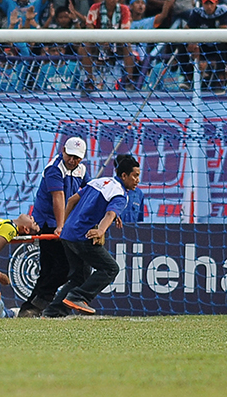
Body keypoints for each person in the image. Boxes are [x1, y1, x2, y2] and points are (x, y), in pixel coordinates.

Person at [48, 155, 140, 315]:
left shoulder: (99, 181)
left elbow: (71, 200)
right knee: (110, 269)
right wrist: (100, 230)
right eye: (135, 176)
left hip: (68, 234)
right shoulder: (120, 194)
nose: (138, 180)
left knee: (79, 277)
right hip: (83, 236)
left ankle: (52, 313)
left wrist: (62, 225)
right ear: (124, 176)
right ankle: (79, 297)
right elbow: (110, 214)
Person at [18, 136, 91, 318]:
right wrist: (61, 226)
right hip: (46, 224)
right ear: (63, 152)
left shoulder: (81, 170)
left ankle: (31, 307)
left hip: (61, 224)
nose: (72, 160)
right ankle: (41, 303)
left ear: (82, 158)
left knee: (50, 269)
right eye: (70, 156)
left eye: (77, 157)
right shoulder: (54, 169)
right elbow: (58, 197)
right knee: (65, 267)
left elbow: (90, 192)